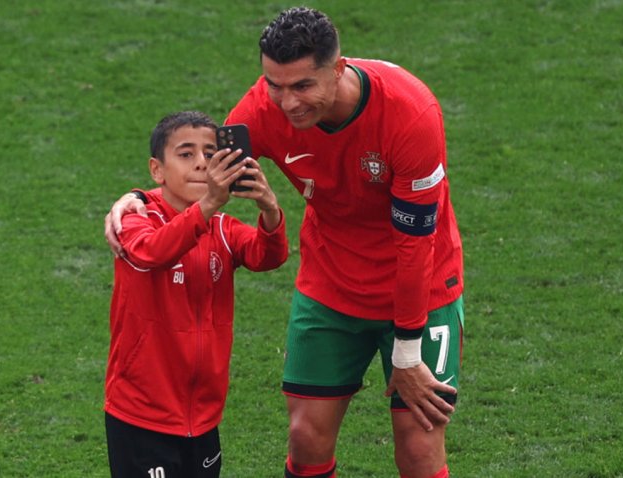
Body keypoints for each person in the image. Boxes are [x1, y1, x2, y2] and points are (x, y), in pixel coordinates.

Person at [106, 8, 465, 478]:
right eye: (274, 84)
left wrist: (407, 352)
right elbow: (199, 169)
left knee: (418, 448)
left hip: (422, 290)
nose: (287, 102)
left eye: (302, 86)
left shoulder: (409, 115)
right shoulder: (262, 109)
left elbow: (414, 246)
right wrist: (137, 199)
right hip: (330, 289)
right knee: (305, 438)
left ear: (338, 70)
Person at [104, 111, 288, 478]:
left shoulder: (222, 228)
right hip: (142, 415)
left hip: (203, 415)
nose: (202, 163)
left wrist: (269, 209)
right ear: (157, 170)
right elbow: (151, 252)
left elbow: (268, 256)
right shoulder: (134, 219)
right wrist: (207, 206)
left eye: (210, 152)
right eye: (186, 154)